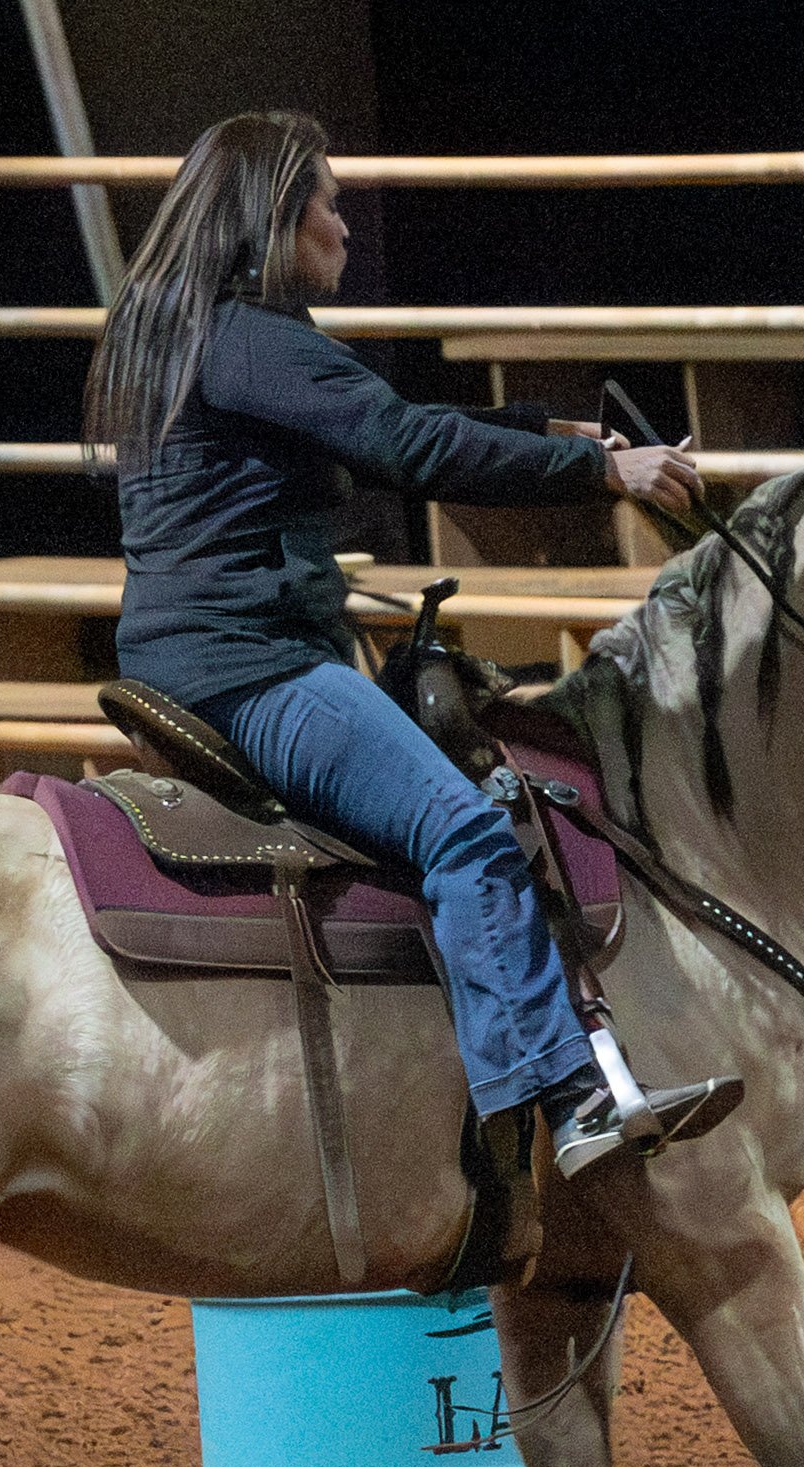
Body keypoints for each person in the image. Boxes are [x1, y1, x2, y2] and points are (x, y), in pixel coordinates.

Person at [84, 111, 741, 1180]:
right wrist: (600, 474)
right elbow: (399, 441)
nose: (344, 226)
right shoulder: (250, 338)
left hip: (193, 660)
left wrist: (546, 431)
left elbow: (377, 413)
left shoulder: (184, 336)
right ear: (274, 217)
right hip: (256, 671)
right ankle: (566, 1096)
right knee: (465, 831)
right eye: (328, 203)